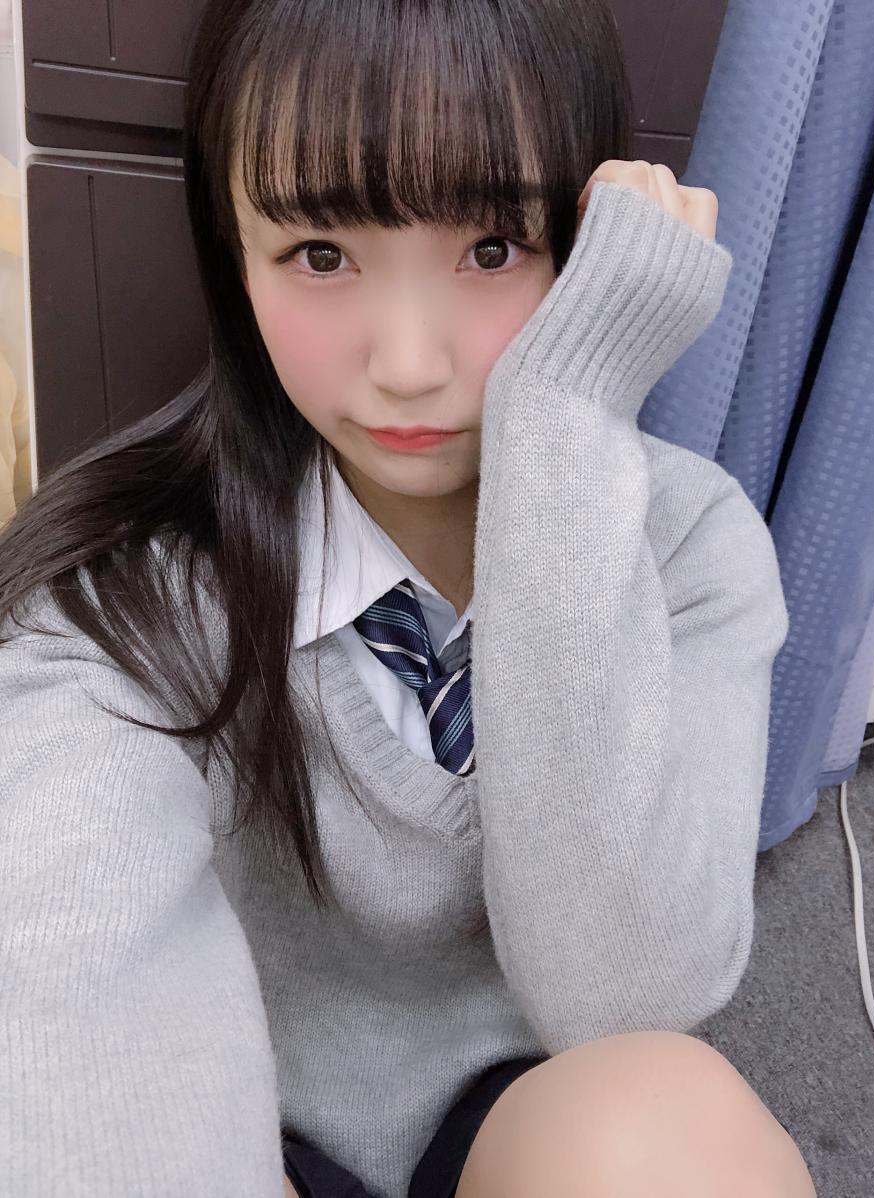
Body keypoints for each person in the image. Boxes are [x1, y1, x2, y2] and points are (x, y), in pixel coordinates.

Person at [0, 1, 817, 1195]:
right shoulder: (125, 601)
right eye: (320, 254)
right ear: (235, 255)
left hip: (533, 1110)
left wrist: (568, 413)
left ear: (585, 243)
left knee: (676, 1128)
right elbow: (65, 990)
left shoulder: (689, 544)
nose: (410, 364)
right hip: (237, 1119)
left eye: (493, 247)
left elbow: (626, 999)